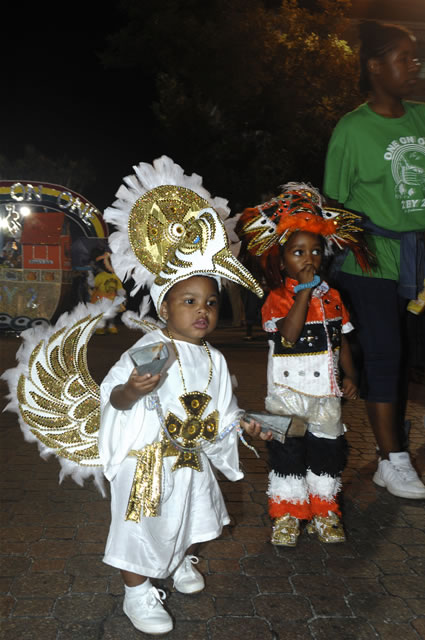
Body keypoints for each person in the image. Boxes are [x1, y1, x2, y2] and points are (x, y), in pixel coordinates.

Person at [98, 160, 266, 635]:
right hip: (148, 461)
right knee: (142, 524)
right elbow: (114, 398)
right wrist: (131, 389)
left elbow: (223, 410)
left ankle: (178, 561)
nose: (202, 311)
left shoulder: (215, 360)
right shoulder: (151, 348)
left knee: (191, 513)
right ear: (165, 305)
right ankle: (136, 591)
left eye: (210, 302)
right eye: (188, 301)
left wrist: (242, 426)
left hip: (190, 459)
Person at [236, 183, 373, 545]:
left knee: (328, 452)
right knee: (288, 454)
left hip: (326, 394)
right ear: (283, 262)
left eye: (315, 250)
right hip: (287, 396)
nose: (308, 258)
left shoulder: (334, 297)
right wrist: (304, 293)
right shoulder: (278, 299)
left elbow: (339, 339)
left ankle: (325, 511)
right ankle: (287, 514)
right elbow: (289, 335)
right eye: (298, 252)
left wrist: (351, 375)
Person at [323, 20, 425, 500]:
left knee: (409, 358)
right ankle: (392, 459)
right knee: (385, 354)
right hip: (370, 265)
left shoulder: (422, 118)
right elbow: (333, 206)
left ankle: (395, 450)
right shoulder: (352, 129)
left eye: (414, 55)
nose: (414, 64)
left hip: (420, 261)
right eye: (404, 56)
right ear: (375, 66)